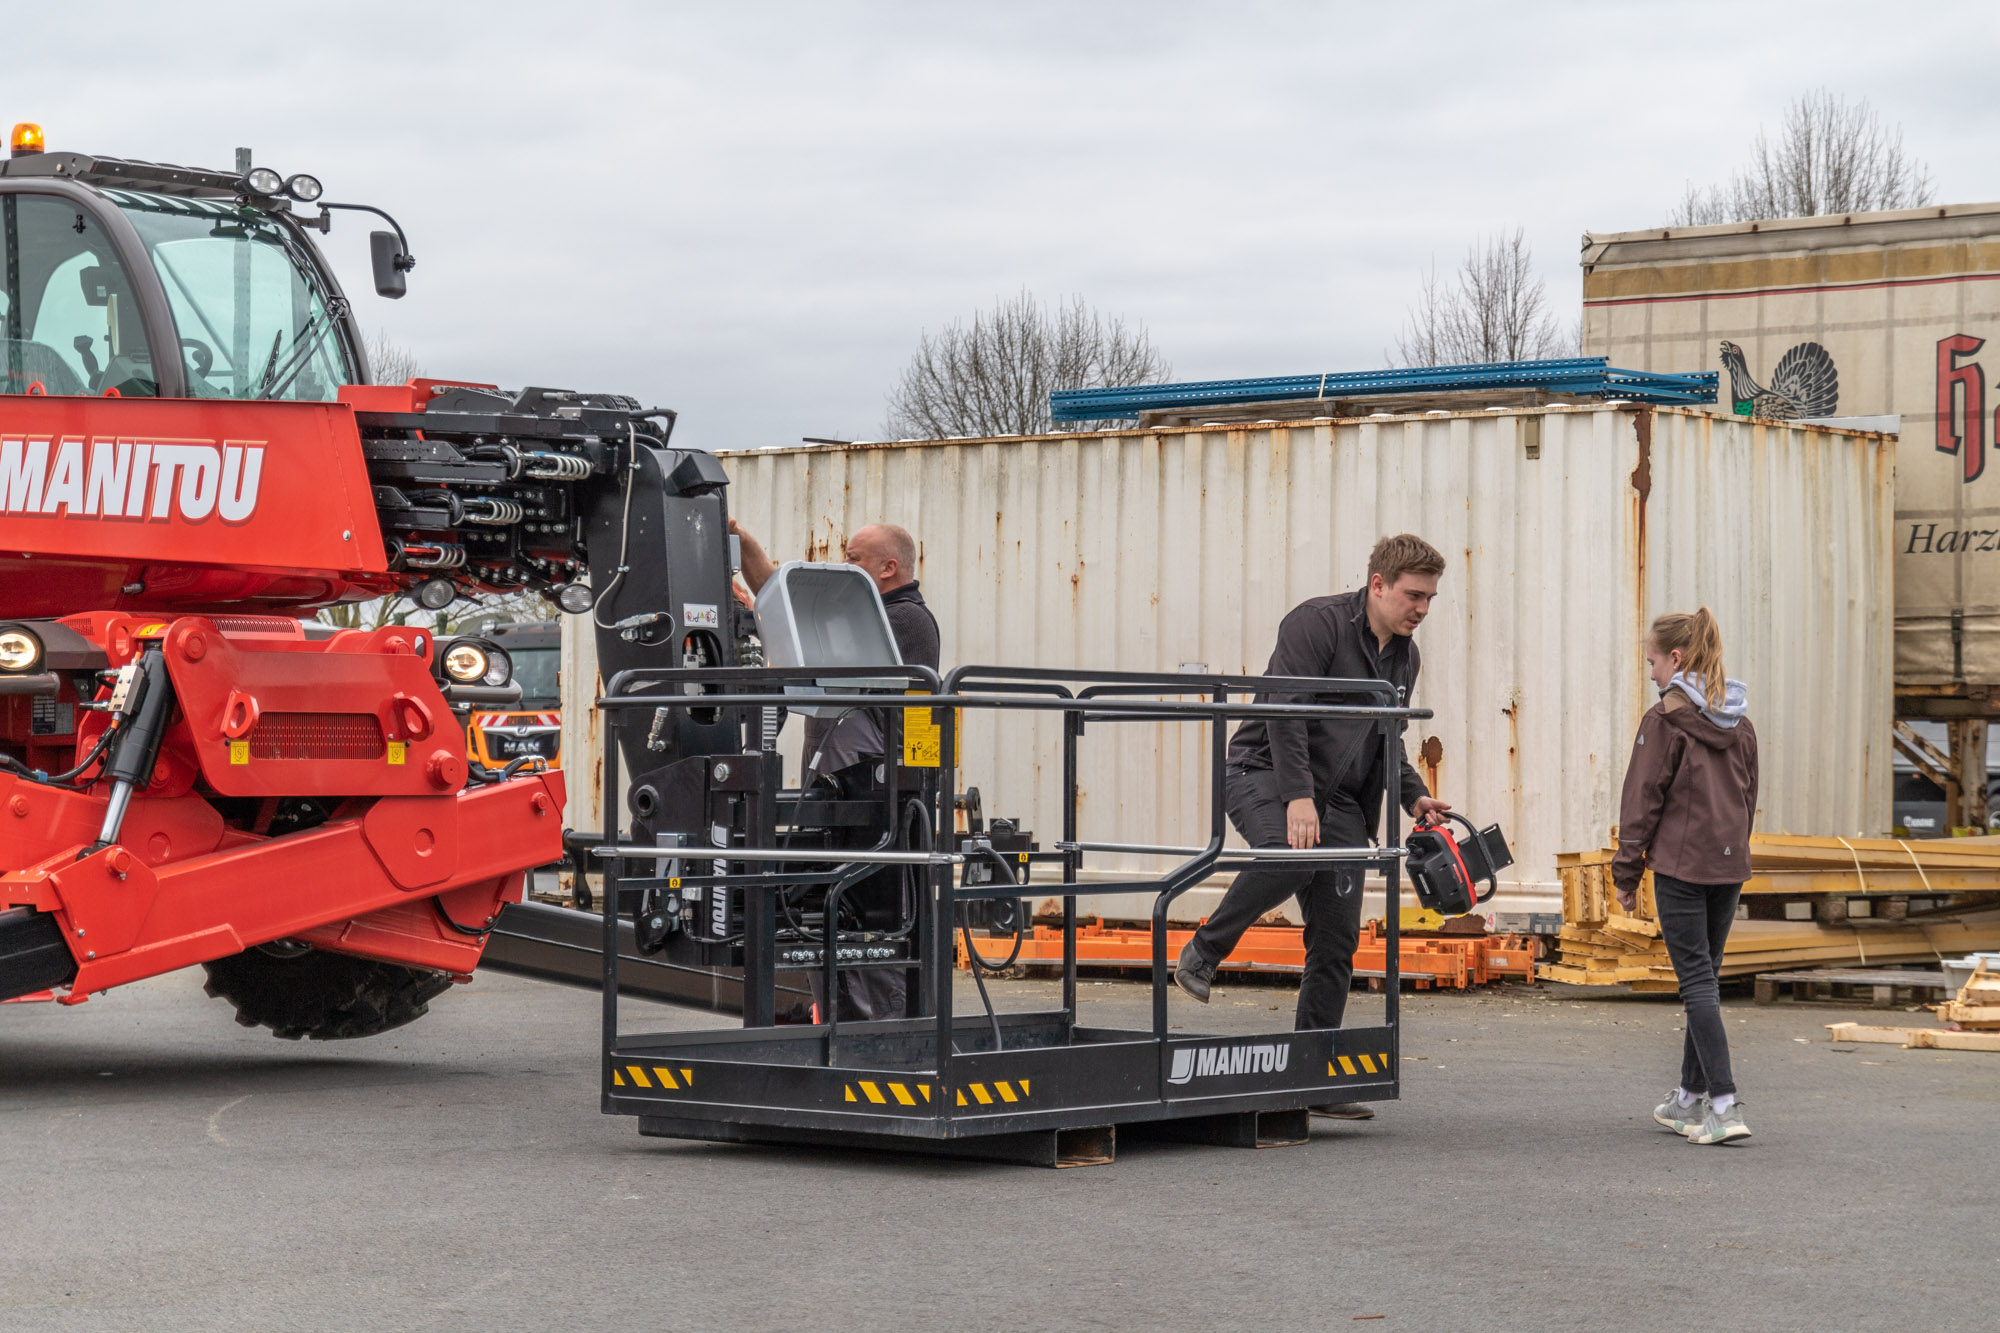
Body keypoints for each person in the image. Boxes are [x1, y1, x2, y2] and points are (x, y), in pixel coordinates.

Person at [1175, 534, 1451, 1120]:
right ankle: (1203, 950)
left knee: (1336, 937)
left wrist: (1415, 797)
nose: (1422, 608)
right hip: (1264, 771)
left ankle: (1312, 1076)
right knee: (1287, 851)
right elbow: (1285, 710)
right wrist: (1298, 797)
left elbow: (1388, 736)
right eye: (1413, 596)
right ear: (1378, 585)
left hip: (1342, 800)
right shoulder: (1316, 624)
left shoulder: (1405, 655)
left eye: (1429, 598)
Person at [730, 518, 940, 1020]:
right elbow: (788, 602)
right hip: (837, 794)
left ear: (889, 568)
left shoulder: (904, 619)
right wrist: (745, 547)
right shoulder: (860, 616)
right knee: (829, 911)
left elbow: (796, 613)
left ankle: (887, 1035)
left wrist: (758, 605)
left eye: (854, 558)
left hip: (875, 794)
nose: (844, 568)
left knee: (874, 915)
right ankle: (841, 1025)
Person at [1613, 608, 1758, 1146]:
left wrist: (1626, 872)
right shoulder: (1740, 721)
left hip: (1680, 865)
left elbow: (1641, 800)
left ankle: (1723, 1103)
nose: (1650, 672)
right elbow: (1749, 796)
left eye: (1652, 661)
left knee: (1697, 982)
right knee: (1707, 980)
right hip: (1728, 865)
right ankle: (1689, 1099)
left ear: (1675, 659)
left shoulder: (1664, 721)